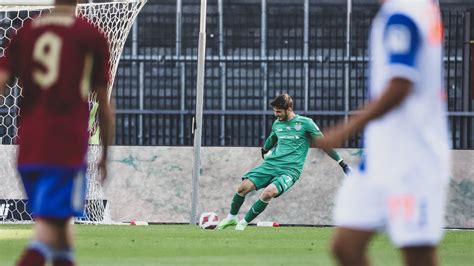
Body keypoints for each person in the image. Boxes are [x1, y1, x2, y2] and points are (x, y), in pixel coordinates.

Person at [315, 0, 450, 265]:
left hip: (413, 158)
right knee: (345, 247)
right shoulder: (412, 10)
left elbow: (400, 84)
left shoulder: (404, 13)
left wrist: (345, 129)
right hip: (380, 157)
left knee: (418, 255)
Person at [0, 0, 114, 265]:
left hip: (28, 146)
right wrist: (105, 154)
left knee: (61, 232)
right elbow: (104, 105)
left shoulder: (26, 31)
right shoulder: (90, 35)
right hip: (66, 147)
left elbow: (3, 83)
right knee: (47, 233)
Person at [217, 93, 350, 231]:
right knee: (243, 187)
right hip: (271, 165)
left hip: (290, 170)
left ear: (289, 108)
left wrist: (341, 163)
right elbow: (272, 138)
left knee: (269, 193)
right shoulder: (277, 124)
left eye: (279, 111)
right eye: (274, 111)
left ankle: (243, 224)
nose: (276, 114)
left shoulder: (306, 123)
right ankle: (231, 218)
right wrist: (265, 149)